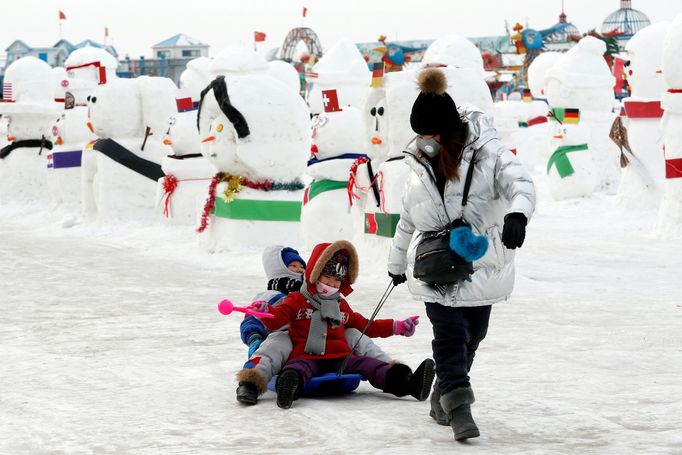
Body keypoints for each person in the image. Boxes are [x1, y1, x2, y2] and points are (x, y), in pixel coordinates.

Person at [387, 68, 536, 441]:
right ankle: (459, 405)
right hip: (435, 264)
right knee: (449, 334)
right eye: (419, 135)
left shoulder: (488, 153)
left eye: (428, 134)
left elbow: (520, 182)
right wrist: (395, 263)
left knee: (474, 333)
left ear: (446, 130)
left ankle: (443, 392)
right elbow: (407, 218)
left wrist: (519, 212)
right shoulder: (418, 164)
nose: (422, 142)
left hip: (480, 264)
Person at [255, 240, 436, 409]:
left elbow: (365, 325)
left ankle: (409, 384)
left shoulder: (341, 305)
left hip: (340, 358)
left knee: (370, 365)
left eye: (336, 281)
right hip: (306, 356)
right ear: (314, 274)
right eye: (327, 278)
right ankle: (288, 388)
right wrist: (266, 312)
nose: (332, 284)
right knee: (296, 369)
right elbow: (278, 318)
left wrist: (397, 327)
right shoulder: (297, 300)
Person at [236, 244, 392, 405]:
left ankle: (390, 371)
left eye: (301, 266)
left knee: (353, 334)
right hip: (292, 340)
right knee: (277, 341)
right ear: (277, 269)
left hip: (328, 340)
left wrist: (395, 327)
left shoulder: (324, 293)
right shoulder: (271, 296)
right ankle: (251, 382)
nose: (298, 269)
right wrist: (254, 337)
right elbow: (253, 320)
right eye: (292, 266)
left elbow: (361, 322)